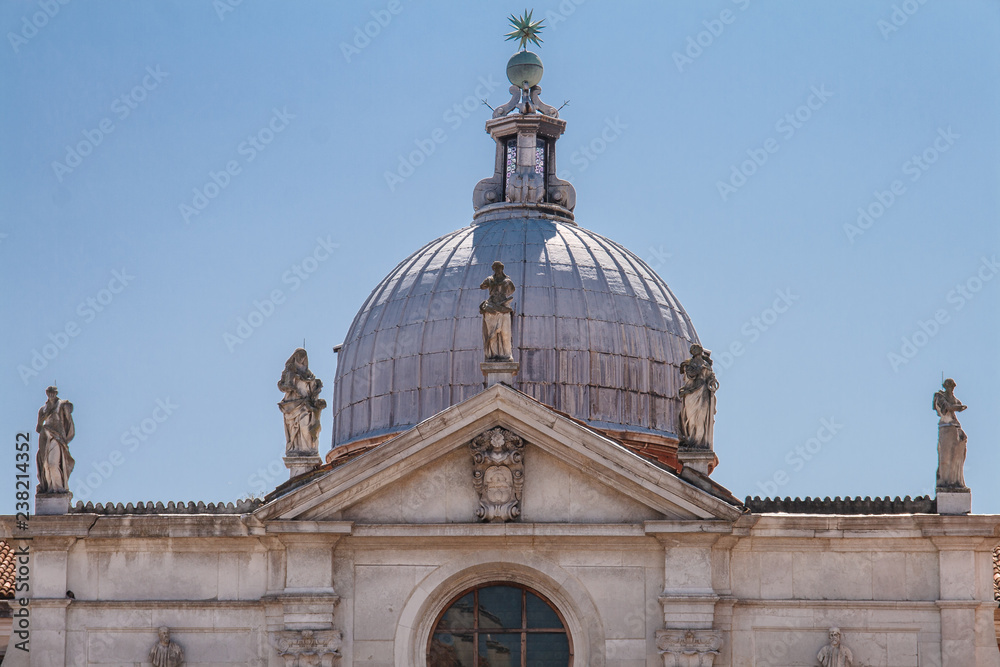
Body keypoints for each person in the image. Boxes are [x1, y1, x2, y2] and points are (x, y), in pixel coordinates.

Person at [277, 348, 326, 455]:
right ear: (295, 356)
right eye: (300, 355)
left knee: (305, 427)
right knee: (294, 427)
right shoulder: (289, 371)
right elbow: (282, 386)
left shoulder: (308, 373)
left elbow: (312, 389)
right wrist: (290, 384)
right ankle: (295, 447)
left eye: (303, 356)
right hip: (292, 404)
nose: (301, 358)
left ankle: (307, 449)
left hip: (305, 404)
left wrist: (316, 386)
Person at [677, 344, 718, 449]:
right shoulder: (689, 364)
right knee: (690, 419)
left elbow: (711, 377)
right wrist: (700, 369)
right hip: (691, 393)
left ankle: (698, 443)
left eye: (696, 349)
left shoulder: (706, 364)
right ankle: (691, 440)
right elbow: (690, 374)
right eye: (693, 350)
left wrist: (712, 381)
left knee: (701, 418)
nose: (695, 351)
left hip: (703, 392)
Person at [36, 386, 75, 493]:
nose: (51, 394)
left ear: (56, 393)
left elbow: (69, 413)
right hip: (45, 437)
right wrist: (42, 419)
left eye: (53, 392)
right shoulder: (43, 409)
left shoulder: (61, 404)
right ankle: (49, 489)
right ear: (46, 393)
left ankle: (59, 489)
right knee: (45, 466)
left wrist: (68, 409)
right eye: (49, 392)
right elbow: (38, 428)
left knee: (53, 464)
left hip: (58, 438)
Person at [933, 378, 968, 489]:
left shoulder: (953, 398)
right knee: (946, 455)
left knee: (957, 453)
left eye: (952, 386)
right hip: (946, 428)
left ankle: (955, 480)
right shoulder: (939, 396)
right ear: (945, 386)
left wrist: (959, 407)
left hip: (954, 427)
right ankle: (945, 480)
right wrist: (958, 408)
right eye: (949, 386)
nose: (951, 388)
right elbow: (947, 407)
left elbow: (958, 404)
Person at [479, 261, 516, 361]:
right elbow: (482, 286)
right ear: (493, 269)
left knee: (505, 334)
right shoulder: (490, 279)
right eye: (495, 268)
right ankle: (493, 355)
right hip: (491, 307)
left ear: (502, 268)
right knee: (492, 335)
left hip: (503, 307)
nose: (497, 270)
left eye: (498, 268)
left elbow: (512, 289)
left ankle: (507, 355)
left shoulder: (507, 281)